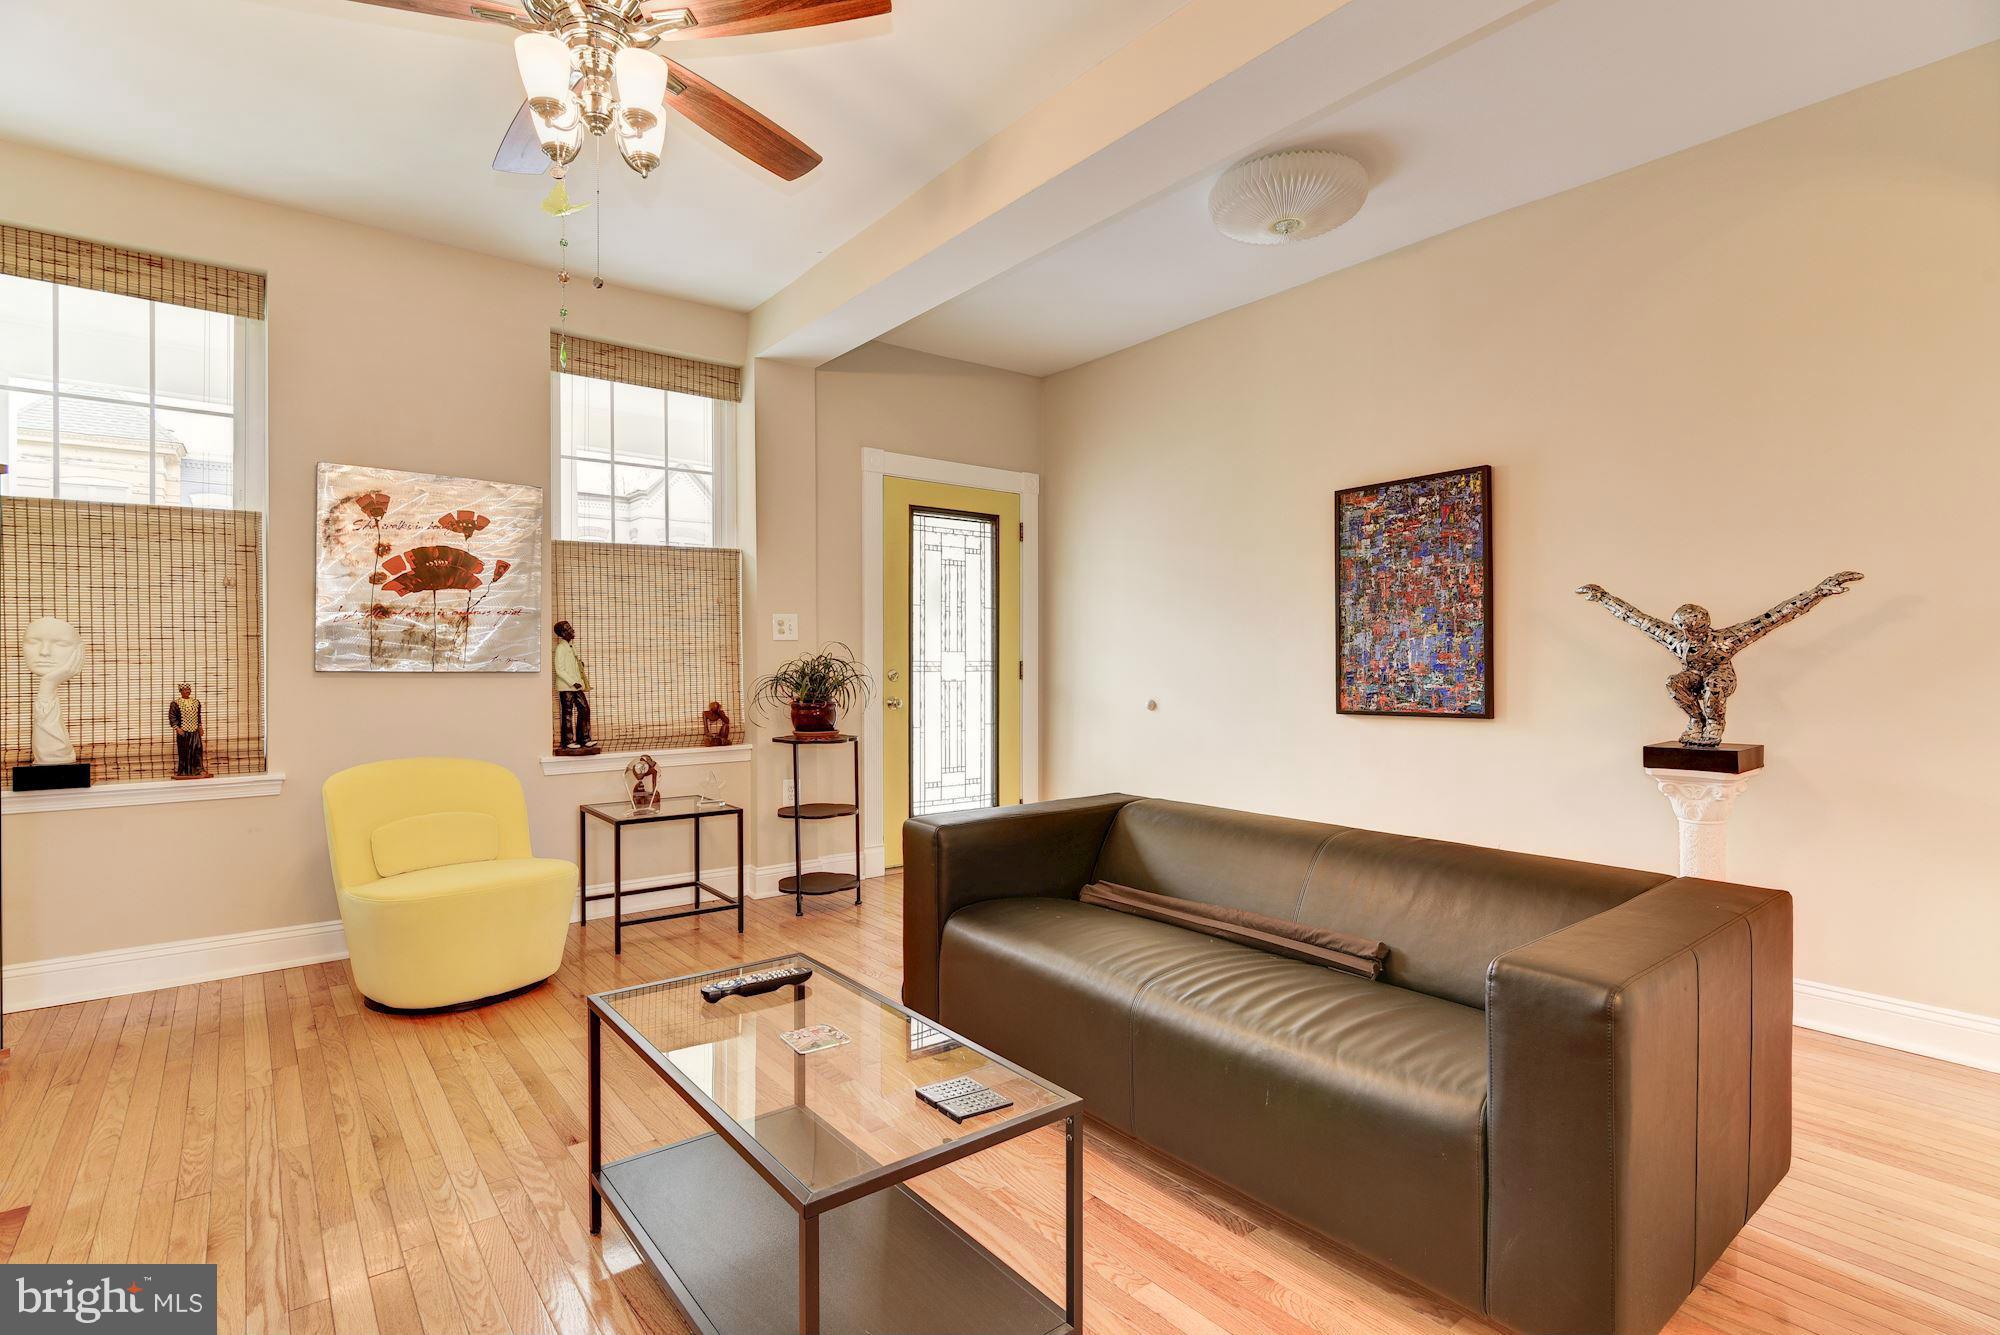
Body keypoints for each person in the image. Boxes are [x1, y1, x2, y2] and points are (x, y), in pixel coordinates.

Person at [1576, 571, 1863, 746]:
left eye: (1695, 629)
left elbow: (1778, 615)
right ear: (1680, 627)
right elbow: (1636, 618)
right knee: (1674, 683)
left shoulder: (1726, 640)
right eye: (1686, 630)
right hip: (1693, 675)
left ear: (1705, 625)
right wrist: (1603, 597)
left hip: (1720, 674)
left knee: (1713, 687)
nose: (1691, 635)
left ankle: (1714, 724)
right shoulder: (1674, 639)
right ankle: (1696, 721)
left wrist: (1820, 591)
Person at [552, 620, 597, 754]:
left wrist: (579, 666)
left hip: (575, 685)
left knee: (584, 710)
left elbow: (570, 666)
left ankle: (584, 739)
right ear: (563, 633)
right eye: (569, 629)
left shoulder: (572, 646)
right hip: (566, 687)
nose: (572, 630)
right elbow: (559, 669)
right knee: (567, 714)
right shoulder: (561, 648)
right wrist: (572, 682)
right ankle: (569, 741)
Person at [167, 683, 209, 779]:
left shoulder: (196, 702)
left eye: (188, 689)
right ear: (181, 691)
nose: (187, 691)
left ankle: (198, 770)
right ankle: (185, 771)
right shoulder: (175, 703)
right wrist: (177, 728)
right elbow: (172, 717)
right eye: (185, 690)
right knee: (184, 751)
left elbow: (198, 716)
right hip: (183, 731)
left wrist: (200, 727)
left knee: (197, 749)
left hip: (194, 731)